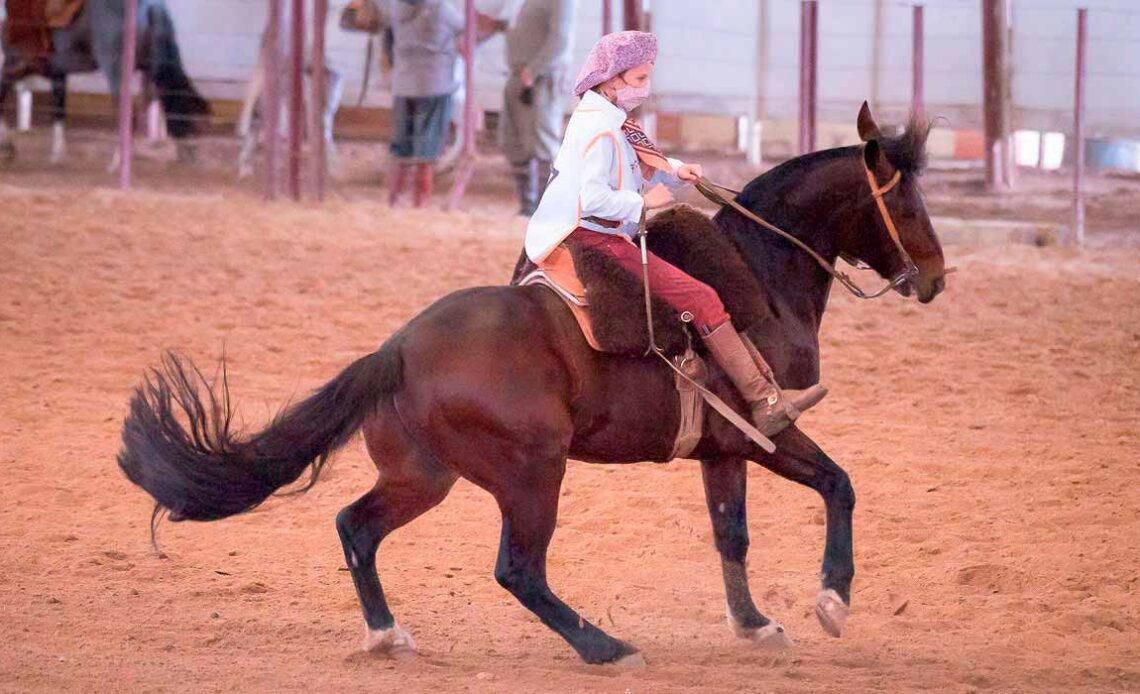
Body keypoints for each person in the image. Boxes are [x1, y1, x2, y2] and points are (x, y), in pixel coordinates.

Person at [523, 30, 827, 437]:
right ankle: (763, 401)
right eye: (638, 80)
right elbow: (593, 198)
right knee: (701, 297)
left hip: (603, 228)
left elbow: (642, 160)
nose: (645, 88)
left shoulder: (604, 118)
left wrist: (678, 170)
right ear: (612, 81)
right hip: (593, 236)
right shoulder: (601, 131)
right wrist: (644, 204)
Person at [385, 0, 463, 207]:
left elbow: (387, 36)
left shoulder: (395, 7)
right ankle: (419, 204)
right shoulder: (441, 7)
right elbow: (465, 31)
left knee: (402, 148)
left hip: (403, 81)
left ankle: (395, 200)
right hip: (434, 82)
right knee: (427, 150)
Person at [501, 0, 577, 216]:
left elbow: (560, 39)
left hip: (540, 78)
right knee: (514, 141)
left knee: (542, 140)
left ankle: (550, 206)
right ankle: (527, 204)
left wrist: (533, 71)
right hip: (517, 74)